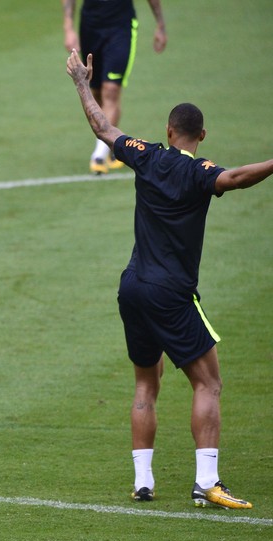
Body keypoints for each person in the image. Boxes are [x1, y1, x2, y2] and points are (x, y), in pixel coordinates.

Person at [66, 49, 273, 509]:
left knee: (146, 383)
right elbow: (236, 178)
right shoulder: (199, 173)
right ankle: (206, 482)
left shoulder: (146, 156)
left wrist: (82, 81)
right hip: (170, 293)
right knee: (208, 384)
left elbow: (103, 127)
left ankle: (143, 482)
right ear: (201, 135)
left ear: (167, 130)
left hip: (132, 286)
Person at [62, 0, 166, 175]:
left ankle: (99, 155)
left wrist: (160, 25)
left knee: (111, 90)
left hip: (121, 26)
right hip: (90, 25)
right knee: (94, 91)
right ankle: (110, 147)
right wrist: (68, 27)